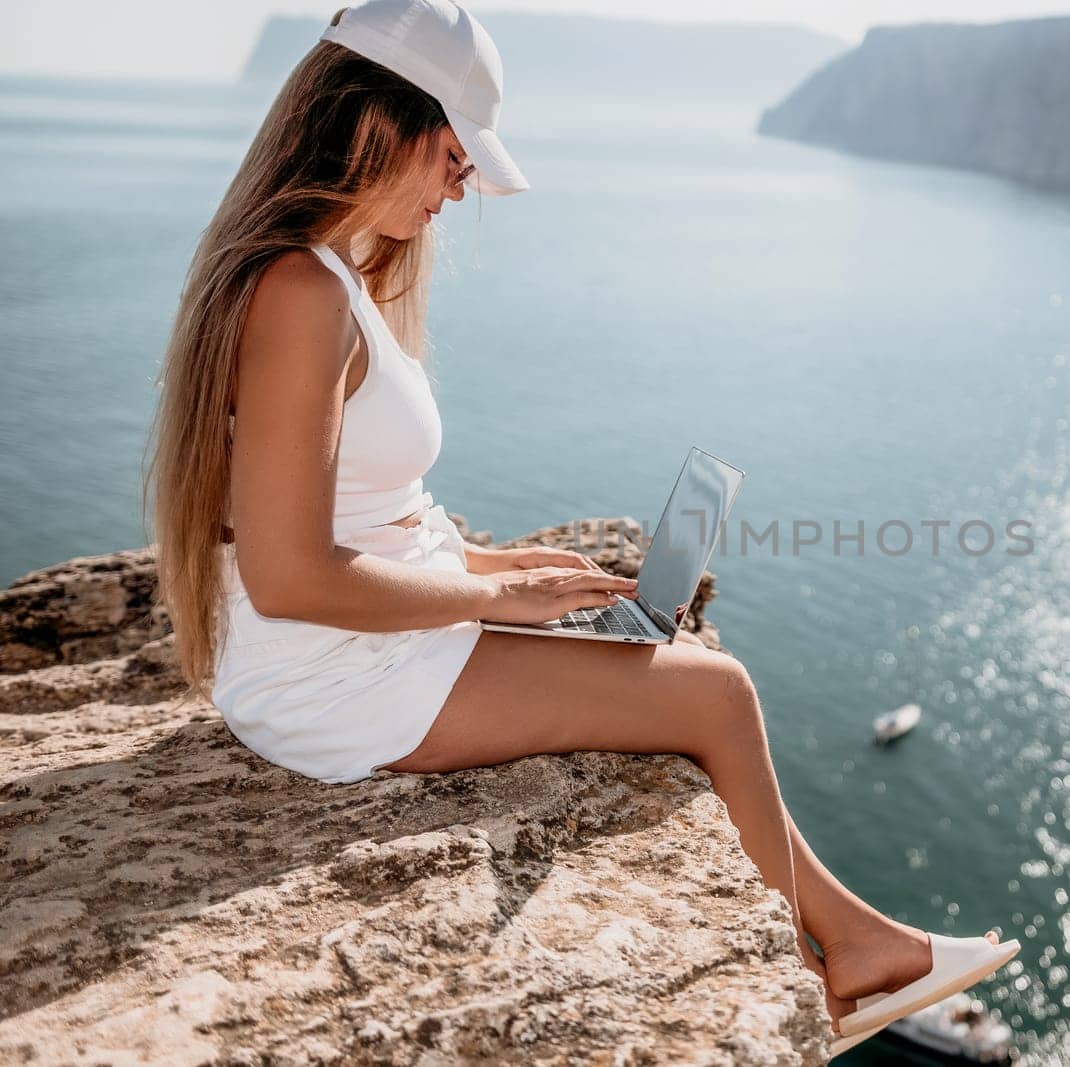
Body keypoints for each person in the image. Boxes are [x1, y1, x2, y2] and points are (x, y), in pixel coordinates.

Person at [146, 0, 1016, 1051]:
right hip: (330, 677)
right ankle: (850, 952)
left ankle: (853, 939)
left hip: (357, 646)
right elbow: (290, 573)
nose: (465, 185)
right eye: (457, 154)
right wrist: (491, 598)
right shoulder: (300, 289)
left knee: (666, 652)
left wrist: (492, 561)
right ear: (380, 124)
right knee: (714, 693)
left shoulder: (324, 272)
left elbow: (356, 513)